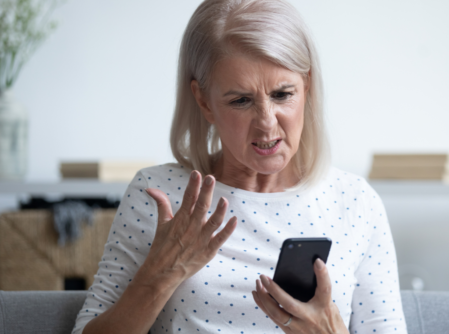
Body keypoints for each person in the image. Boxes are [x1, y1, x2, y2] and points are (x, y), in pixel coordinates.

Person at [72, 0, 408, 333]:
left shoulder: (354, 200)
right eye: (241, 101)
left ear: (307, 85)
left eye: (281, 94)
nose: (266, 123)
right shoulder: (159, 195)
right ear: (204, 101)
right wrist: (160, 277)